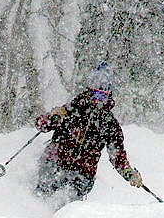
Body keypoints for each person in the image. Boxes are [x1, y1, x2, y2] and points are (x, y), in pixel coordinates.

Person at [34, 63, 144, 205]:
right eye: (95, 94)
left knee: (66, 206)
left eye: (102, 96)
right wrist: (51, 118)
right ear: (89, 91)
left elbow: (117, 155)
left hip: (82, 174)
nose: (98, 100)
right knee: (42, 197)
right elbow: (41, 125)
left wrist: (128, 173)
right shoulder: (72, 109)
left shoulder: (109, 124)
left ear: (108, 95)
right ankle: (32, 213)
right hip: (55, 163)